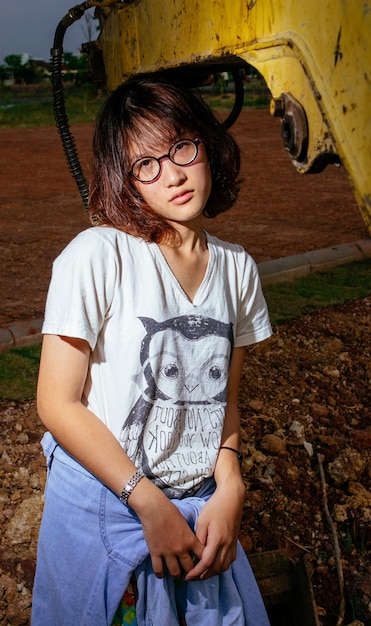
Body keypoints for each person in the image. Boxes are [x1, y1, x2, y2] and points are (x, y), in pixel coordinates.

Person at [32, 75, 272, 625]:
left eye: (182, 147)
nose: (174, 174)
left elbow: (224, 403)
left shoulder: (238, 269)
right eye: (147, 164)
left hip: (197, 510)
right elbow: (57, 404)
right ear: (127, 179)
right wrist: (149, 503)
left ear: (207, 144)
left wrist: (230, 485)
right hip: (107, 506)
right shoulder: (98, 255)